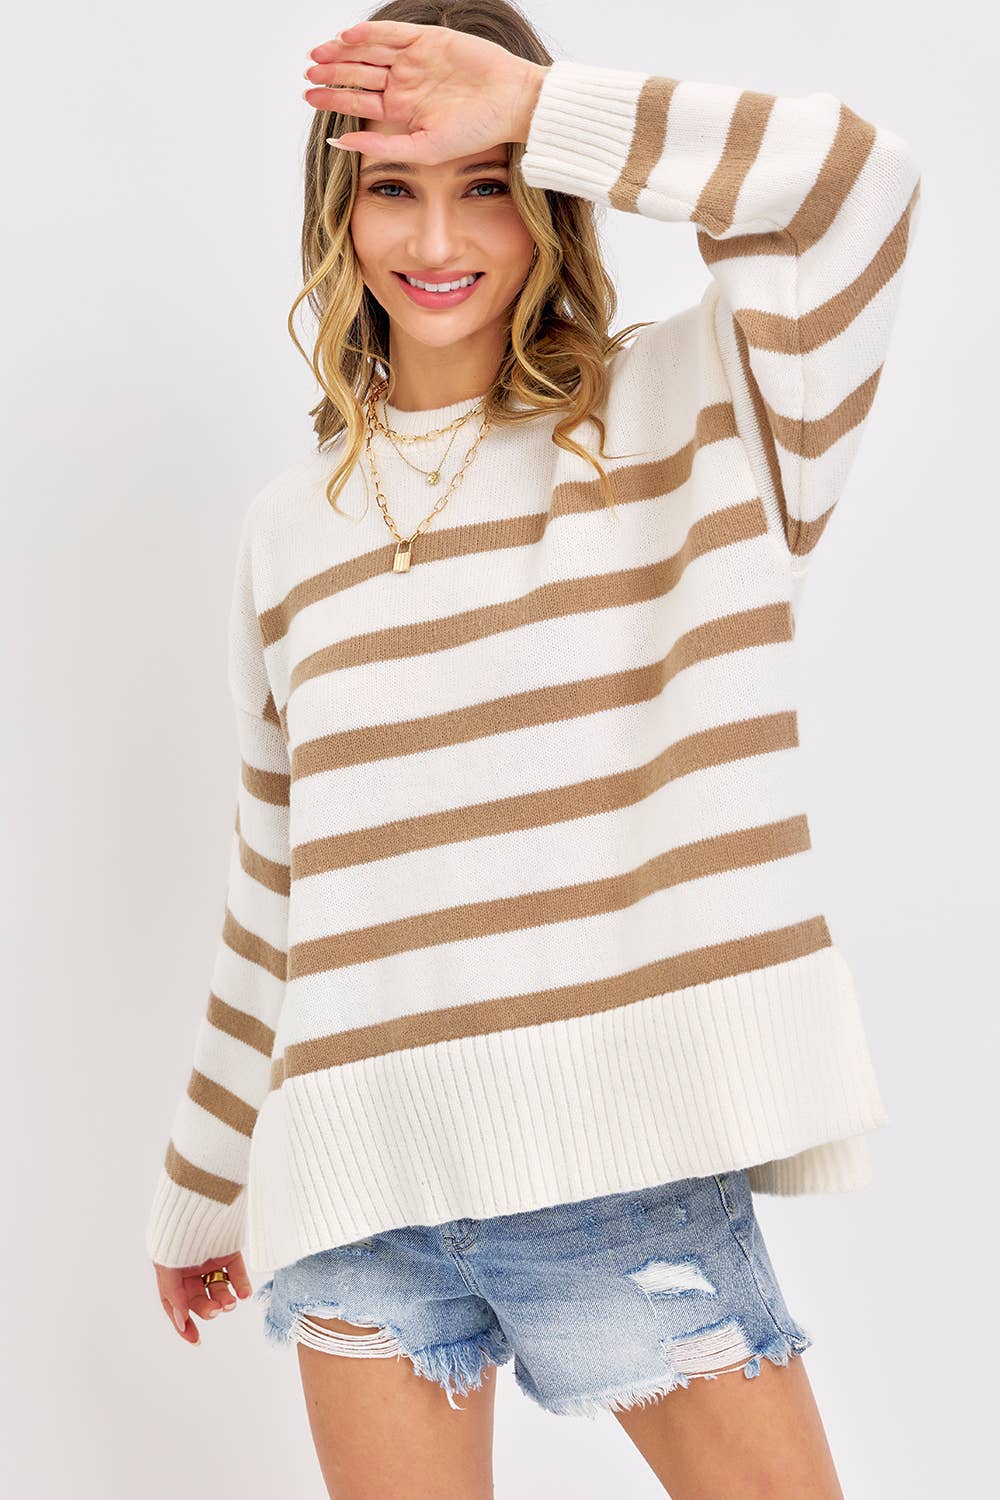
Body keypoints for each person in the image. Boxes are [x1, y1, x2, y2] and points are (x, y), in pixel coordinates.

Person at [145, 2, 921, 1495]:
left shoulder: (700, 410)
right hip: (357, 1193)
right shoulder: (289, 529)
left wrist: (538, 105)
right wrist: (204, 1187)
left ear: (551, 194)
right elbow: (282, 884)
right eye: (391, 184)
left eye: (488, 182)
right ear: (336, 208)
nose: (438, 236)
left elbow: (856, 185)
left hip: (616, 1173)